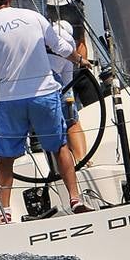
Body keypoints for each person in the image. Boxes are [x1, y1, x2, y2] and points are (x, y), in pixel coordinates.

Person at [0, 0, 92, 221]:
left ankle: (5, 212)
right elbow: (60, 47)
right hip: (44, 95)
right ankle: (75, 200)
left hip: (11, 100)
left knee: (5, 156)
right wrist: (81, 61)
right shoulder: (32, 17)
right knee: (59, 147)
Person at [49, 19, 87, 162]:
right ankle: (81, 159)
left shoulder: (40, 32)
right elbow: (67, 79)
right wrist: (70, 104)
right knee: (72, 122)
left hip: (28, 80)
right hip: (55, 82)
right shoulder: (69, 43)